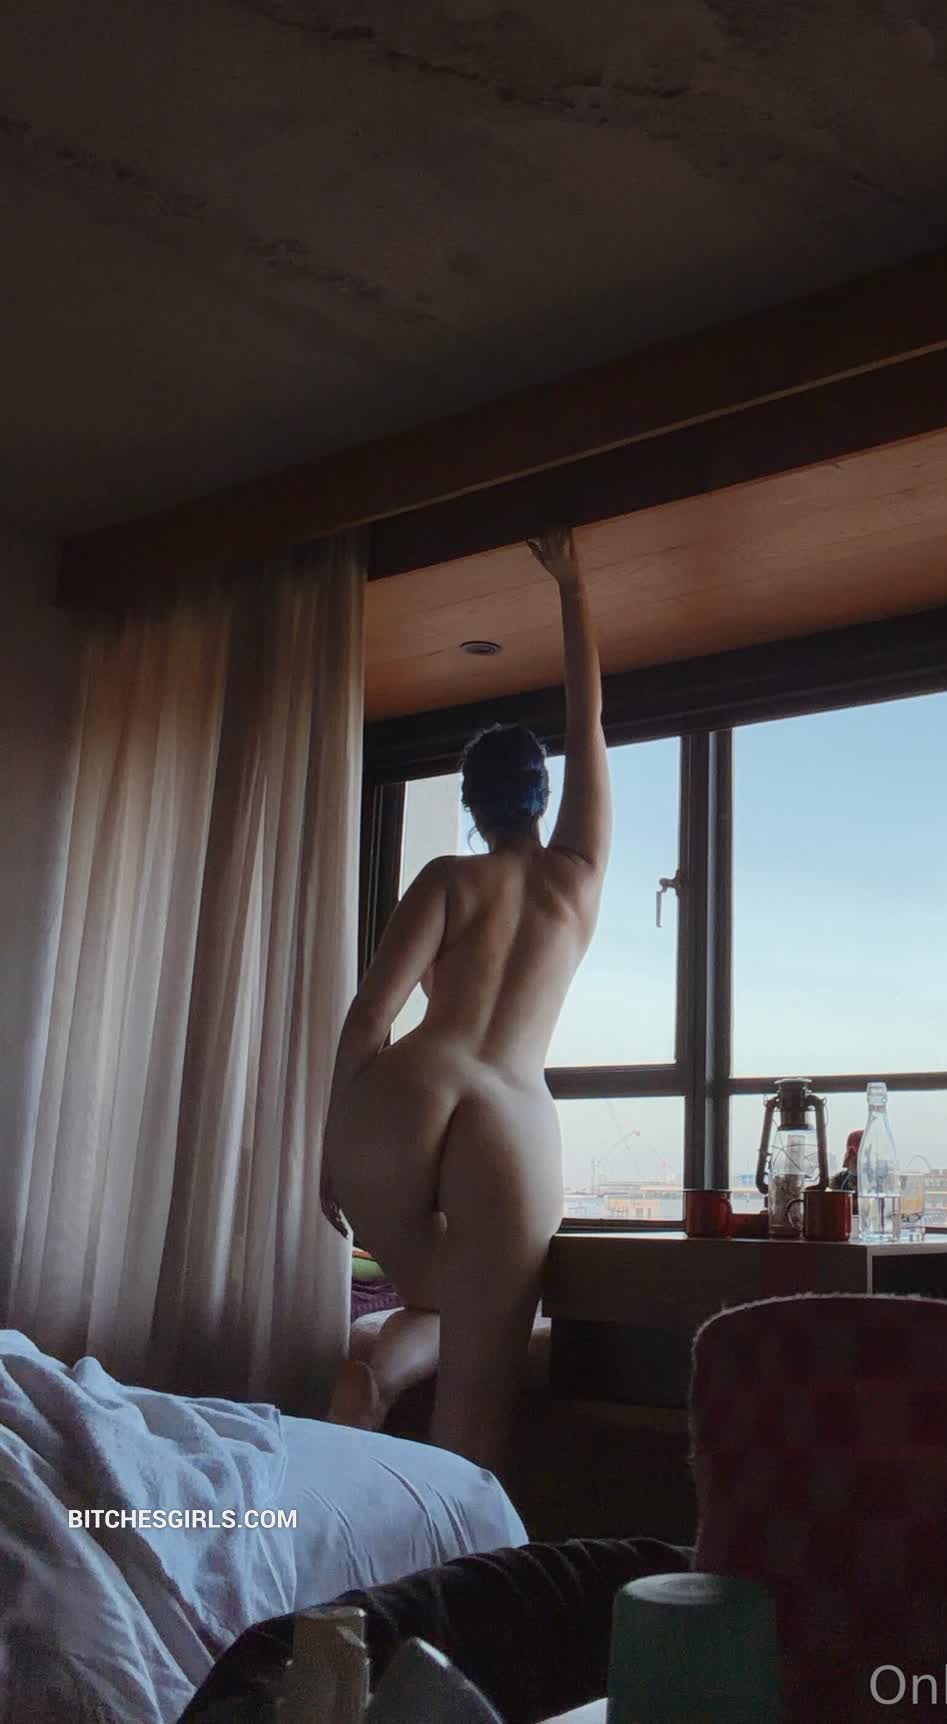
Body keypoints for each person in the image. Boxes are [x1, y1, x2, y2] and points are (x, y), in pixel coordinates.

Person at [320, 527, 609, 1470]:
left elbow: (370, 1017)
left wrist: (330, 1146)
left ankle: (376, 1372)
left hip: (403, 1100)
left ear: (472, 806)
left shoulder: (447, 877)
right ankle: (452, 1544)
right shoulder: (575, 878)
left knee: (440, 1299)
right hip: (509, 1108)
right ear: (542, 796)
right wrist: (570, 587)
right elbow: (588, 724)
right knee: (478, 1404)